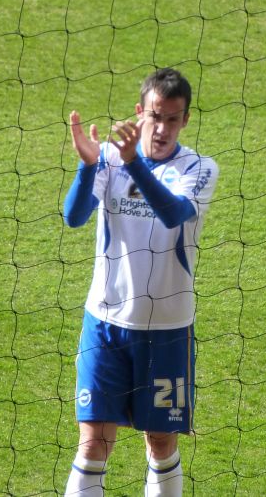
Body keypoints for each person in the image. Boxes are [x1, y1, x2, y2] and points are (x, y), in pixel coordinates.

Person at [61, 68, 218, 497]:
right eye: (155, 116)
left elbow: (172, 214)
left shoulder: (200, 169)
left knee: (160, 441)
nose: (163, 128)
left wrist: (133, 162)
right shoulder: (110, 158)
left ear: (185, 120)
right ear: (139, 112)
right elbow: (73, 217)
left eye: (173, 118)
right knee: (93, 443)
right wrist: (87, 165)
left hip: (167, 330)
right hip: (105, 324)